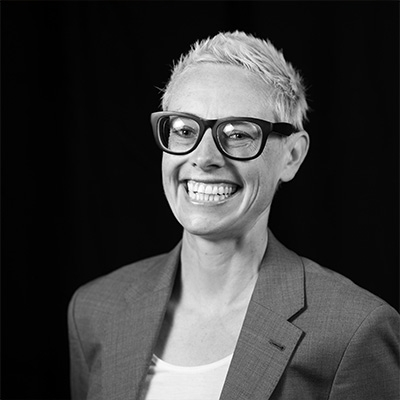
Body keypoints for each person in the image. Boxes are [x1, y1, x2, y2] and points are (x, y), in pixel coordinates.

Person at [68, 31, 399, 400]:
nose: (204, 157)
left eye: (238, 134)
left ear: (292, 156)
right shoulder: (94, 310)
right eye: (184, 130)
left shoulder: (354, 331)